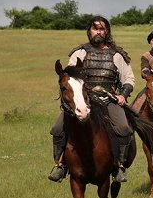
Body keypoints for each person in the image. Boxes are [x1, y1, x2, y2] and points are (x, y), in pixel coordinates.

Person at [48, 16, 135, 183]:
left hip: (108, 100)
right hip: (83, 101)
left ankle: (119, 166)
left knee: (124, 128)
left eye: (102, 29)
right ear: (89, 31)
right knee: (58, 129)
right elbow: (69, 77)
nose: (98, 32)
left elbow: (129, 79)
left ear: (107, 32)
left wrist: (123, 94)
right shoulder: (79, 53)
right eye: (95, 28)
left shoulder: (117, 55)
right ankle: (61, 166)